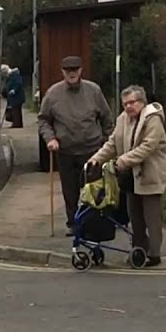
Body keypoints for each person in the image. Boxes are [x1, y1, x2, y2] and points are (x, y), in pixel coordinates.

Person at [88, 84, 166, 267]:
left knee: (152, 217)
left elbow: (148, 147)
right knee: (135, 217)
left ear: (142, 102)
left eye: (132, 102)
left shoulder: (153, 119)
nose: (129, 107)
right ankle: (139, 250)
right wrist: (95, 160)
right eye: (125, 104)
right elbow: (112, 144)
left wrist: (123, 160)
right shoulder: (123, 119)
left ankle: (154, 254)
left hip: (150, 174)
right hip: (130, 177)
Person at [38, 55, 113, 236]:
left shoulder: (93, 91)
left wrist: (107, 142)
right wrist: (50, 139)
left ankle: (94, 223)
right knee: (70, 191)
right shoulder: (53, 93)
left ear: (80, 71)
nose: (71, 74)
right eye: (67, 71)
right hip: (66, 151)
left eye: (75, 70)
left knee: (94, 189)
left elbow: (106, 118)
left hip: (92, 150)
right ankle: (73, 224)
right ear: (62, 72)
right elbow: (43, 120)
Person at [2, 64, 25, 128]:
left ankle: (17, 124)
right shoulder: (10, 76)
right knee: (15, 110)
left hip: (17, 96)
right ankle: (17, 124)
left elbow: (18, 83)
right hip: (14, 96)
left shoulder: (14, 75)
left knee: (16, 111)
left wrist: (13, 90)